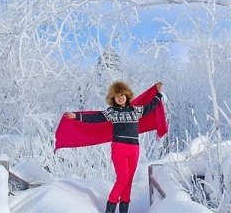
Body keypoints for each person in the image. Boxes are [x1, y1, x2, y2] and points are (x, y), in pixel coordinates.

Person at [64, 81, 163, 213]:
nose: (120, 97)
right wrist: (76, 116)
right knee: (122, 179)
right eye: (117, 96)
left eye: (122, 94)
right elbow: (96, 117)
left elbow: (150, 107)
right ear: (113, 98)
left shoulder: (136, 110)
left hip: (134, 148)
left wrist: (158, 93)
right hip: (119, 147)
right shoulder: (112, 112)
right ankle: (109, 210)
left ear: (127, 95)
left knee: (128, 182)